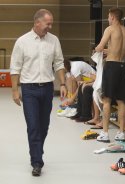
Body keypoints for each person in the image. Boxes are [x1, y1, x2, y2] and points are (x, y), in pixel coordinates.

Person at [10, 9, 66, 176]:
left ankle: (36, 152)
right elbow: (15, 67)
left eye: (51, 24)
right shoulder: (22, 42)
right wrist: (14, 90)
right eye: (48, 23)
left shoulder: (54, 40)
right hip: (29, 90)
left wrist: (62, 83)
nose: (50, 26)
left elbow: (59, 63)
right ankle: (36, 161)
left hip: (47, 88)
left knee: (44, 126)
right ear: (37, 23)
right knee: (33, 126)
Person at [95, 7, 125, 142]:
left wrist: (103, 49)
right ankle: (121, 133)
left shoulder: (110, 29)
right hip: (122, 67)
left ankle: (105, 133)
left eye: (108, 17)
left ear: (112, 17)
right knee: (121, 101)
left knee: (107, 100)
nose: (108, 19)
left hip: (111, 66)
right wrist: (115, 50)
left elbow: (100, 47)